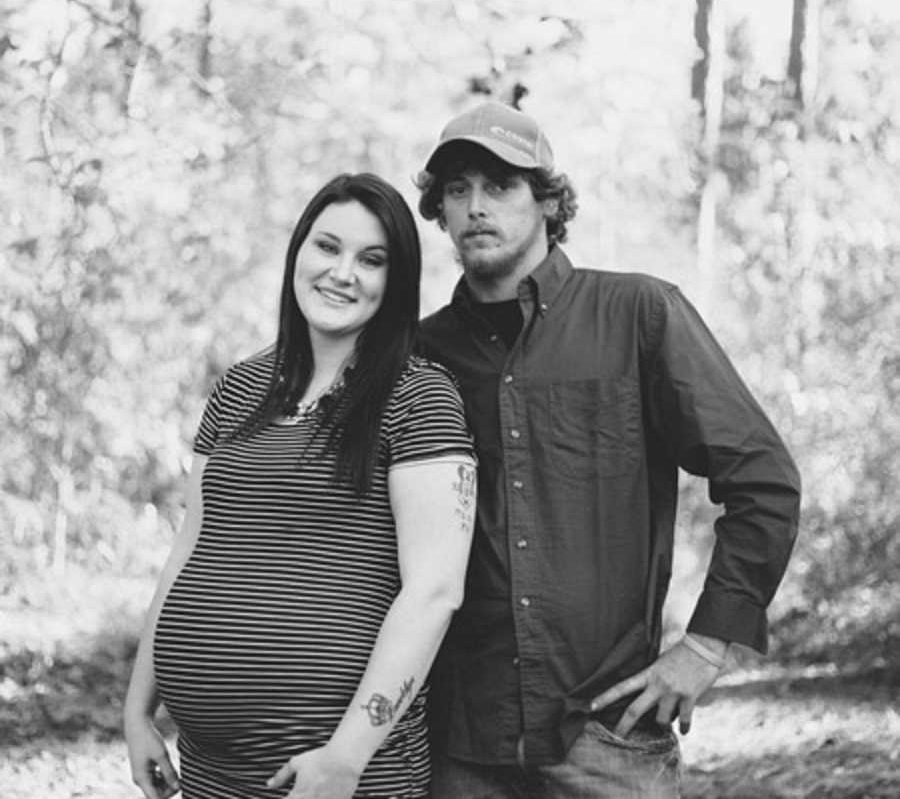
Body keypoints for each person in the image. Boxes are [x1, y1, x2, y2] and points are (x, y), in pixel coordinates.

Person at [415, 101, 801, 798]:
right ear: (437, 207)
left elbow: (763, 479)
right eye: (457, 188)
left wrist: (706, 645)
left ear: (546, 201)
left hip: (607, 732)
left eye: (499, 185)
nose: (475, 206)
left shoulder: (640, 316)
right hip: (458, 741)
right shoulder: (419, 356)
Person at [124, 172, 477, 799]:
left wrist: (346, 757)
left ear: (394, 284)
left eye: (372, 260)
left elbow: (434, 593)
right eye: (327, 246)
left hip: (338, 778)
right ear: (298, 252)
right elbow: (190, 548)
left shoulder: (419, 397)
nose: (343, 272)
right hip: (210, 771)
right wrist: (137, 710)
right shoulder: (239, 388)